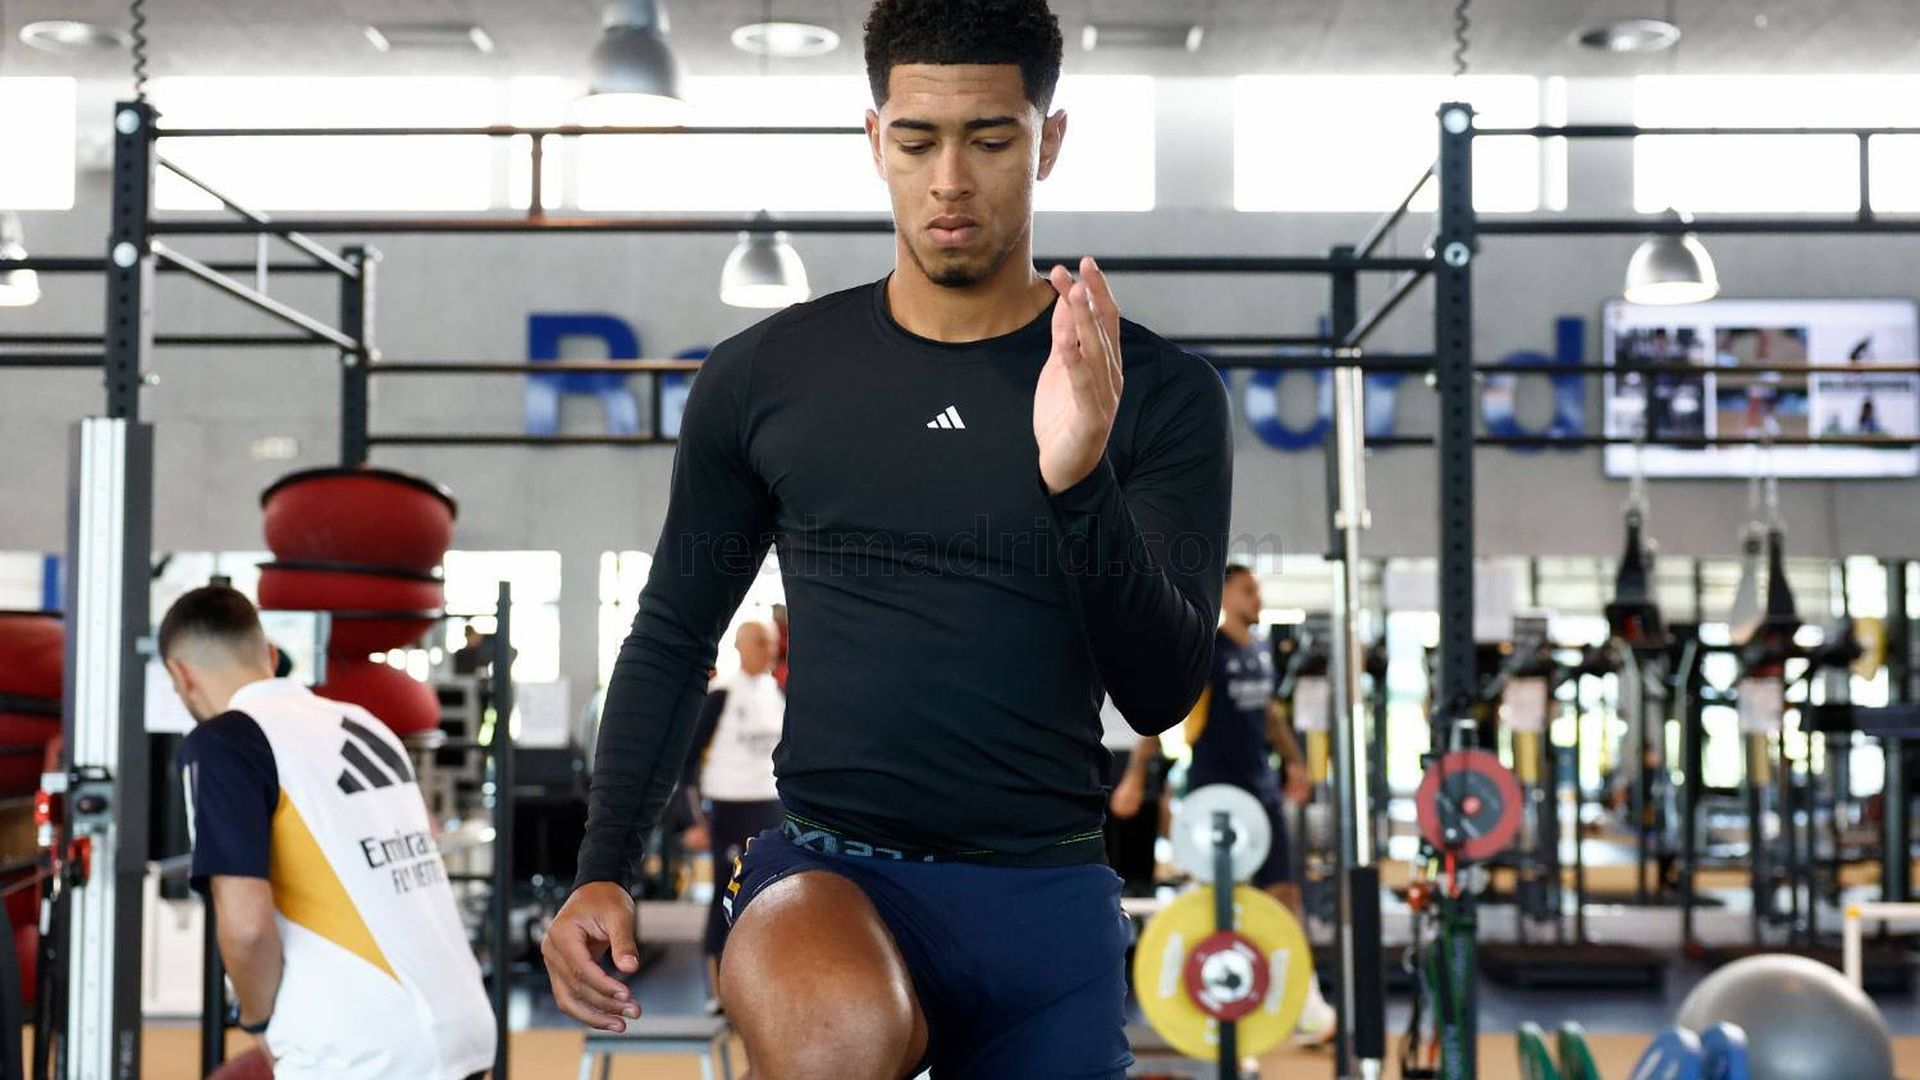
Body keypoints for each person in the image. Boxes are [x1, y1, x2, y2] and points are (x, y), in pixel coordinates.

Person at [540, 1, 1233, 1075]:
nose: (950, 178)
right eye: (917, 140)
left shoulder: (1157, 396)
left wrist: (1078, 476)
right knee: (834, 1042)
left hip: (1045, 901)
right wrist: (604, 864)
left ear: (1048, 140)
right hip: (827, 879)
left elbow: (1155, 691)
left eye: (991, 139)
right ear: (876, 140)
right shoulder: (767, 377)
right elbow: (675, 632)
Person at [161, 585, 494, 1080]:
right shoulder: (365, 723)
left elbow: (247, 928)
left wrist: (259, 1023)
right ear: (271, 656)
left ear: (181, 676)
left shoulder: (224, 742)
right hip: (463, 1025)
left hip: (363, 1052)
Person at [1183, 564, 1337, 1044]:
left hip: (1261, 785)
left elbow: (1270, 714)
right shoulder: (1207, 651)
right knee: (1217, 898)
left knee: (1285, 893)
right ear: (1225, 594)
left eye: (1259, 589)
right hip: (1215, 790)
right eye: (1248, 590)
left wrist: (1295, 763)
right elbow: (1170, 715)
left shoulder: (1264, 650)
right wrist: (1135, 780)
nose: (1258, 598)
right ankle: (1214, 998)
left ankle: (1302, 1001)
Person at [678, 620, 786, 1014]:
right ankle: (718, 993)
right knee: (728, 897)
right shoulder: (721, 694)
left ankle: (767, 993)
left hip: (772, 808)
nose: (770, 650)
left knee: (776, 899)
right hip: (730, 809)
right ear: (742, 646)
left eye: (774, 643)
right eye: (762, 642)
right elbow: (686, 763)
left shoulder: (777, 692)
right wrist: (694, 822)